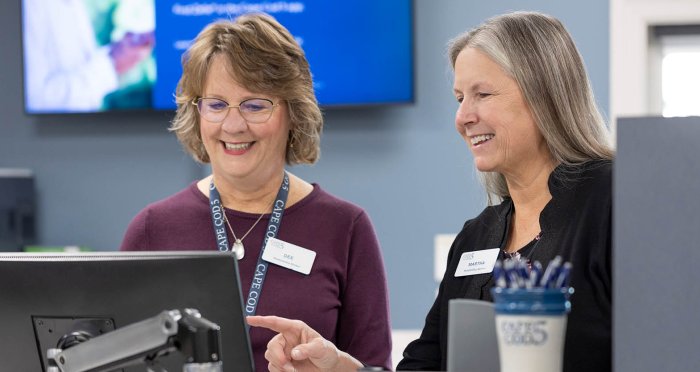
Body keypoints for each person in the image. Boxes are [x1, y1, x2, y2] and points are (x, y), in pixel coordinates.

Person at [248, 11, 613, 372]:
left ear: (544, 94)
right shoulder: (476, 237)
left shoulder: (616, 201)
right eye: (459, 99)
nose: (463, 117)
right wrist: (337, 367)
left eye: (482, 94)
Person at [119, 13, 392, 372]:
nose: (233, 125)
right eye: (216, 104)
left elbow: (375, 367)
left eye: (255, 105)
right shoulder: (153, 229)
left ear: (292, 113)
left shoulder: (345, 227)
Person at [23, 0, 154, 112]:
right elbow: (37, 102)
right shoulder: (31, 6)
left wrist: (118, 51)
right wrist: (111, 65)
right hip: (59, 136)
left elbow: (80, 64)